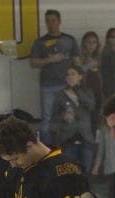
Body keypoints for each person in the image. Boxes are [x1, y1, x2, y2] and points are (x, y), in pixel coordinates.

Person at [29, 9, 79, 145]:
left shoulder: (69, 40)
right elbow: (33, 62)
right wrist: (49, 60)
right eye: (48, 21)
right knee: (47, 118)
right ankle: (46, 150)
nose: (51, 24)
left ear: (59, 21)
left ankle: (68, 147)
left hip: (67, 85)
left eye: (53, 20)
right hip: (48, 86)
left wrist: (77, 82)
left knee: (68, 115)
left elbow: (77, 62)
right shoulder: (40, 42)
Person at [49, 65, 98, 172]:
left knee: (85, 171)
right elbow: (53, 120)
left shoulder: (87, 92)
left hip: (86, 138)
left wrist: (76, 90)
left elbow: (91, 105)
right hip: (68, 140)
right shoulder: (60, 95)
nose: (70, 77)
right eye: (68, 75)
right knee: (70, 174)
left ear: (80, 76)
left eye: (73, 74)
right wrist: (63, 117)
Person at [76, 30, 104, 117]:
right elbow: (77, 74)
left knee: (97, 116)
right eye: (88, 42)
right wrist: (88, 65)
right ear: (84, 43)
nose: (91, 45)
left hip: (98, 92)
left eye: (94, 42)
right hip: (85, 92)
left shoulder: (100, 57)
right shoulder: (80, 58)